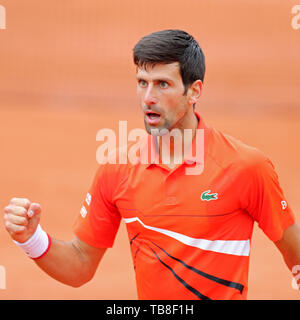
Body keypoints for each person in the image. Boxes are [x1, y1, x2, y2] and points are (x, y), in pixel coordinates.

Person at [3, 29, 300, 300]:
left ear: (194, 91)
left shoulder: (247, 168)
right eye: (142, 83)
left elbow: (295, 254)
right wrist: (31, 239)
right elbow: (80, 265)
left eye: (162, 85)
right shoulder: (117, 169)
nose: (148, 98)